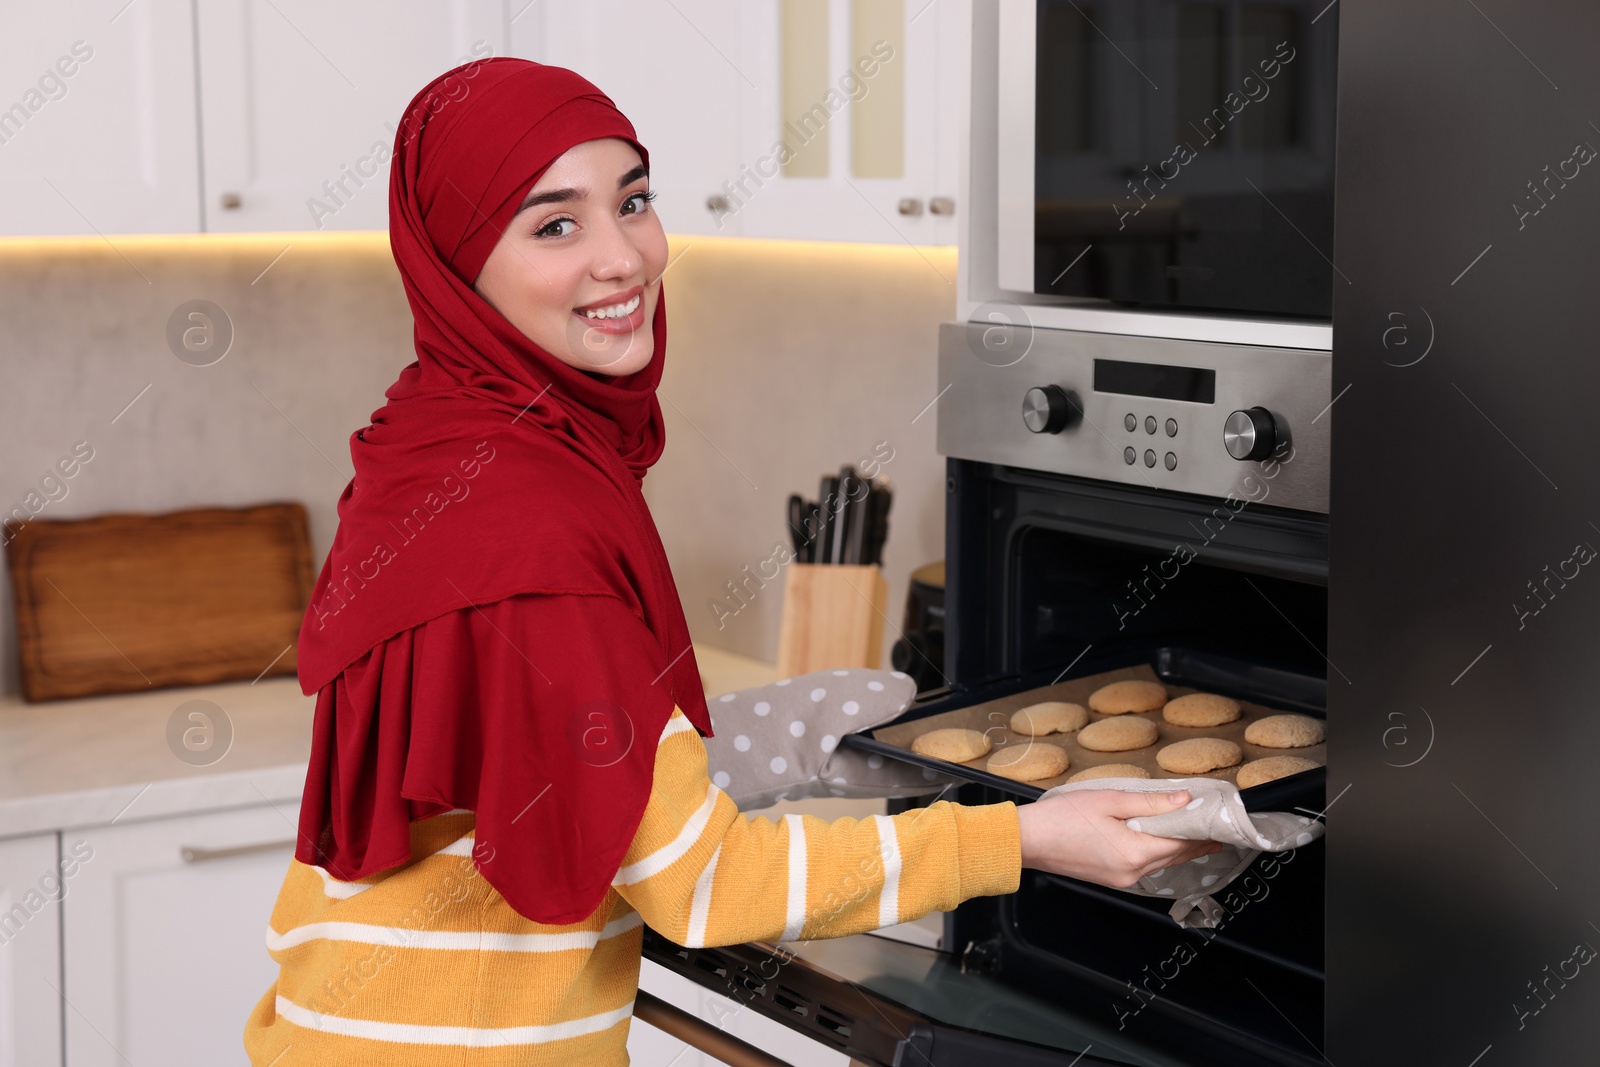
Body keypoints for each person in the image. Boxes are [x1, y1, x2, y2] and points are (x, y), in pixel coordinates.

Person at [241, 57, 1219, 1067]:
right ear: (457, 264)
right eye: (554, 224)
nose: (624, 258)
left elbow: (521, 762)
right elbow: (700, 885)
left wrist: (772, 740)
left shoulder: (435, 439)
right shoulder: (528, 519)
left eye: (633, 200)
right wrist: (1022, 840)